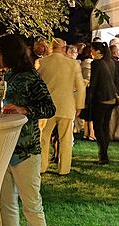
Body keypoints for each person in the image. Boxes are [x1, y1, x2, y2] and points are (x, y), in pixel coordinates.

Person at [0, 34, 55, 226]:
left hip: (26, 150)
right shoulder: (3, 77)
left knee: (32, 206)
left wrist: (25, 110)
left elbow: (50, 108)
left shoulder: (30, 78)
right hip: (3, 150)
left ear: (9, 53)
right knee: (6, 203)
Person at [37, 38, 86, 175]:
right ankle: (64, 169)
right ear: (64, 48)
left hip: (47, 107)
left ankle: (42, 166)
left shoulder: (42, 62)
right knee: (65, 138)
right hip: (67, 105)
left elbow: (37, 84)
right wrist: (79, 105)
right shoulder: (73, 64)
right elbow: (81, 87)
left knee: (44, 137)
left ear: (51, 47)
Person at [89, 41, 117, 164]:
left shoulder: (96, 63)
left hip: (101, 99)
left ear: (98, 51)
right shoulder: (110, 62)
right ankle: (104, 154)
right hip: (111, 98)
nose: (91, 52)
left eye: (92, 49)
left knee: (98, 127)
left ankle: (103, 155)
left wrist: (89, 99)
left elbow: (94, 83)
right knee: (105, 127)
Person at [77, 44, 95, 141]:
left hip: (84, 88)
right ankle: (91, 133)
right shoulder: (92, 63)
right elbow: (90, 78)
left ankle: (86, 133)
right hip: (90, 88)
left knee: (87, 112)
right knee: (91, 112)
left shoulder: (82, 63)